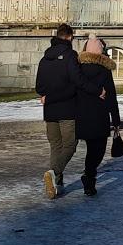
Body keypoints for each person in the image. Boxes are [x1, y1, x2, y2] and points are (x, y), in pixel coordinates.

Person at [34, 23, 101, 199]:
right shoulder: (71, 56)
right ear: (70, 37)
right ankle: (53, 173)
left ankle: (57, 185)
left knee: (56, 146)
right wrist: (97, 90)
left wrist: (49, 97)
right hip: (68, 109)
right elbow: (78, 81)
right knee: (70, 145)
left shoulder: (44, 58)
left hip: (50, 111)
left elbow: (39, 87)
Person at [75, 36, 121, 197]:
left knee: (90, 148)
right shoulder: (104, 70)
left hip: (81, 114)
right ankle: (89, 176)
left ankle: (88, 177)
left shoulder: (77, 69)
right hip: (100, 115)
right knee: (98, 150)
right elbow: (111, 96)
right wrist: (116, 120)